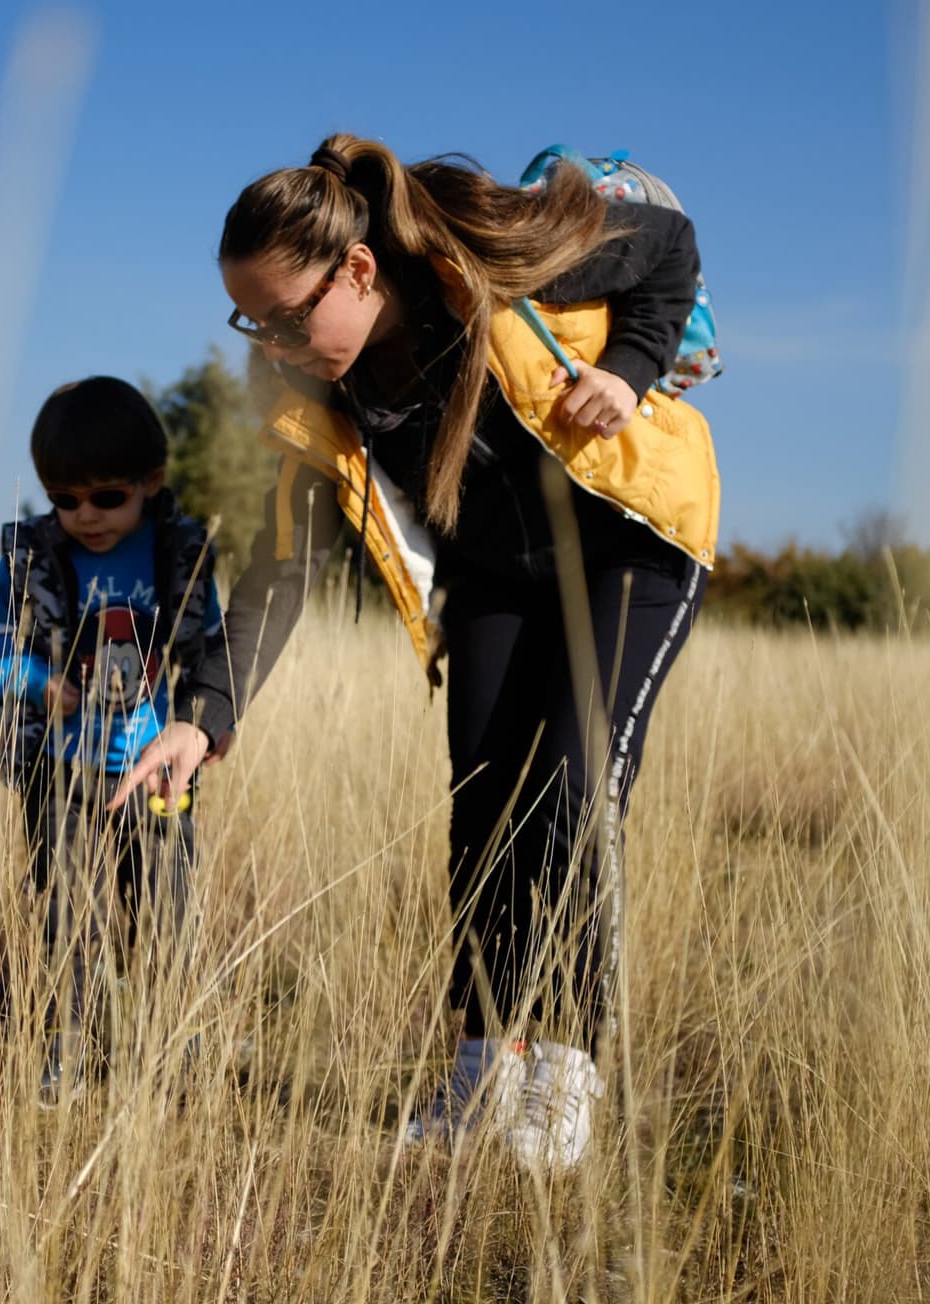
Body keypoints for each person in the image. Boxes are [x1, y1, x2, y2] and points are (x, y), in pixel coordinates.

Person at [112, 134, 719, 1170]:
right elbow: (281, 563)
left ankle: (563, 1073)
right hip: (493, 578)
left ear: (356, 270)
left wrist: (627, 369)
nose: (272, 344)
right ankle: (485, 1065)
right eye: (249, 321)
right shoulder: (309, 388)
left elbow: (668, 244)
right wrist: (200, 712)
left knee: (571, 785)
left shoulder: (484, 255)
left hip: (628, 544)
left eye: (288, 318)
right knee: (482, 800)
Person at [0, 376, 222, 1104]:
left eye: (107, 497)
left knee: (165, 906)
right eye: (65, 499)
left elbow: (209, 649)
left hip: (154, 778)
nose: (85, 516)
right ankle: (70, 1046)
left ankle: (173, 1043)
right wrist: (37, 684)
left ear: (150, 482)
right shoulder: (31, 560)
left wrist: (204, 727)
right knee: (66, 908)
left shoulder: (178, 554)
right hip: (61, 769)